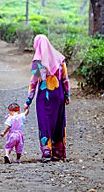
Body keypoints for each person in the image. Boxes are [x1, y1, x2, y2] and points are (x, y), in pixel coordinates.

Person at [24, 34, 70, 163]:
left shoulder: (37, 62)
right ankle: (58, 153)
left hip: (44, 98)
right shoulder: (60, 59)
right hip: (58, 95)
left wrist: (28, 101)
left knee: (45, 123)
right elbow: (65, 80)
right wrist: (67, 95)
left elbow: (33, 83)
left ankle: (46, 151)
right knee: (58, 122)